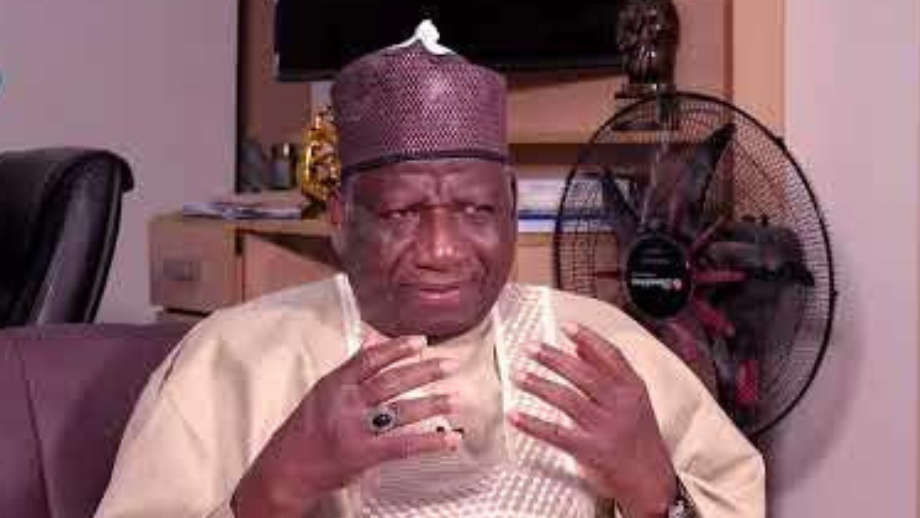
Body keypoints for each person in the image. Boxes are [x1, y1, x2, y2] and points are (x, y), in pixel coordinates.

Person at [96, 22, 764, 518]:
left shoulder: (603, 350)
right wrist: (274, 490)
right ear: (341, 216)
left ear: (510, 205)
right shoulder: (233, 359)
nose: (441, 249)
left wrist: (656, 496)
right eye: (401, 213)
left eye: (475, 209)